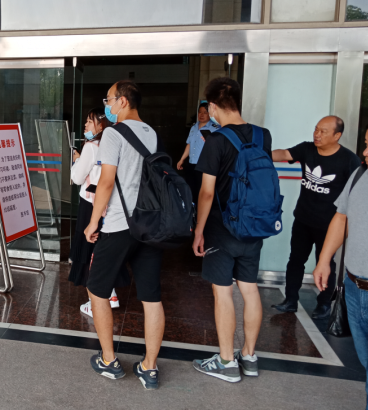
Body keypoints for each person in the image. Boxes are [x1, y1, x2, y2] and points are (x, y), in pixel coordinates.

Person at [84, 80, 165, 390]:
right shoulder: (152, 134)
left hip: (119, 224)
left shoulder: (113, 134)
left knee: (97, 289)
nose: (106, 105)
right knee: (151, 297)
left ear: (122, 101)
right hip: (149, 225)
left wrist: (93, 223)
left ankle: (109, 360)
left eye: (108, 99)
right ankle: (149, 367)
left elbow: (106, 182)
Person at [191, 77, 272, 383]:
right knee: (249, 289)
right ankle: (249, 357)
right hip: (254, 225)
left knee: (223, 291)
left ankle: (226, 361)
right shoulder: (263, 136)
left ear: (213, 106)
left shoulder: (216, 140)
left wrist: (198, 230)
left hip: (222, 228)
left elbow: (207, 193)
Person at [314, 117, 368, 410]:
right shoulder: (359, 176)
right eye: (366, 144)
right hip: (353, 291)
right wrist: (324, 260)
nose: (365, 152)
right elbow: (342, 218)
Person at [271, 116, 361, 319]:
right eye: (316, 129)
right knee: (295, 260)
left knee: (326, 263)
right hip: (303, 219)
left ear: (337, 136)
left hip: (329, 225)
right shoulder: (307, 149)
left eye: (323, 131)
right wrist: (258, 153)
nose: (317, 134)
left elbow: (356, 193)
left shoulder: (349, 160)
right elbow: (283, 154)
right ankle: (290, 300)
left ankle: (324, 303)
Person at [68, 108, 123, 317]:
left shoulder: (91, 146)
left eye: (89, 122)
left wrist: (77, 160)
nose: (85, 126)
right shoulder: (115, 143)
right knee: (103, 248)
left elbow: (78, 177)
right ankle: (111, 294)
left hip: (90, 204)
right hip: (109, 204)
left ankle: (94, 302)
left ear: (101, 125)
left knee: (88, 249)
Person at [177, 101, 220, 203]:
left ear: (210, 113)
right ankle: (192, 208)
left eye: (205, 112)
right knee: (191, 188)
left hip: (205, 165)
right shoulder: (194, 127)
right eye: (200, 112)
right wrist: (182, 159)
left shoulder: (215, 128)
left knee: (202, 190)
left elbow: (218, 147)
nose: (201, 115)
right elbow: (189, 144)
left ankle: (201, 209)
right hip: (192, 163)